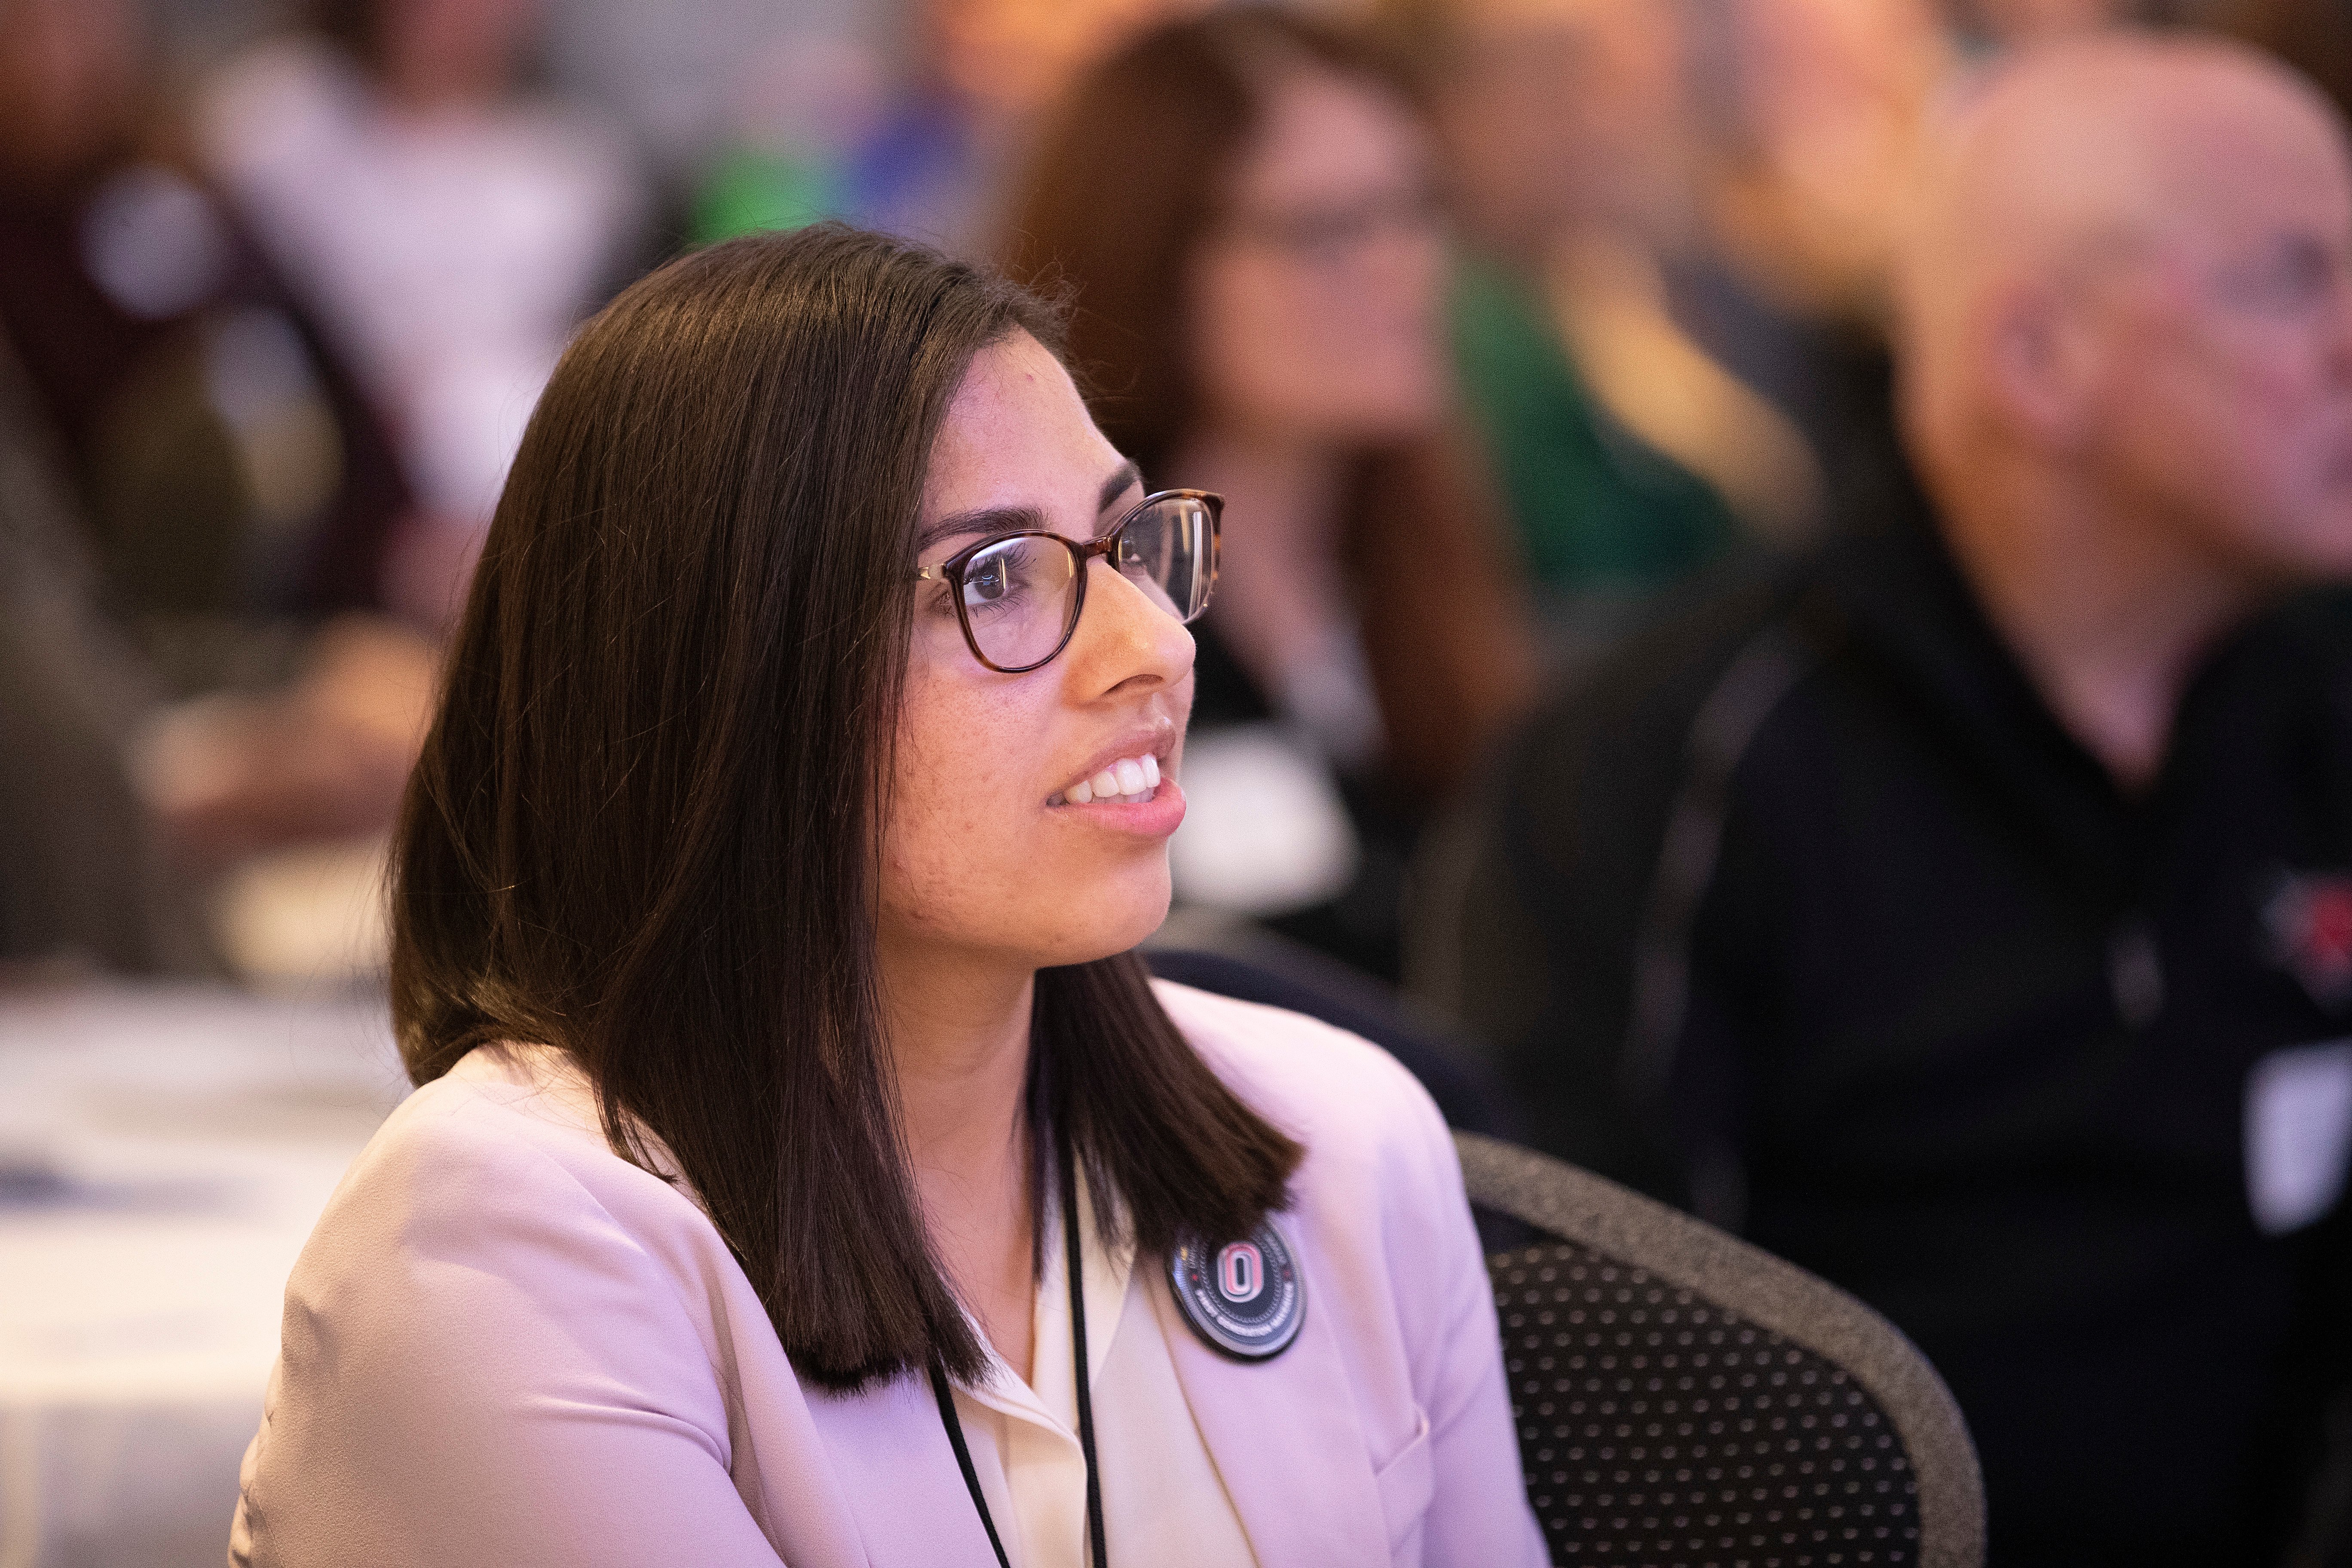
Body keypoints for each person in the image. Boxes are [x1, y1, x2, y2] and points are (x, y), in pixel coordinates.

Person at [226, 224, 1544, 1568]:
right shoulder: (505, 1251)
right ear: (724, 678)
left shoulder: (1342, 1137)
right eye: (997, 577)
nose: (1154, 647)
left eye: (1127, 542)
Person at [1419, 33, 2352, 1565]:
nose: (2340, 341)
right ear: (2039, 360)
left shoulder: (2307, 709)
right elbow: (1564, 1371)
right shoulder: (1678, 764)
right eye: (2286, 280)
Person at [998, 8, 1536, 980]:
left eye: (1415, 207)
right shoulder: (1066, 604)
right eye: (1329, 229)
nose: (1403, 267)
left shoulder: (1422, 556)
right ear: (1154, 256)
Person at [197, 0, 648, 627]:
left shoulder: (576, 171)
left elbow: (578, 373)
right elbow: (255, 347)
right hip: (339, 499)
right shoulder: (281, 125)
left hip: (519, 499)